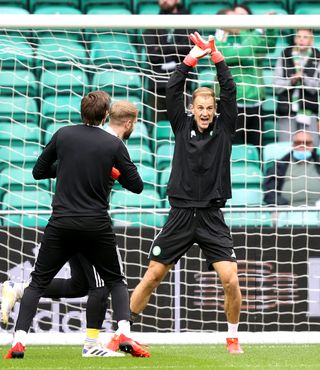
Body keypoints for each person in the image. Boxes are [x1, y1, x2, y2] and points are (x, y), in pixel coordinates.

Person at [3, 91, 149, 360]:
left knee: (38, 284)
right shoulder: (112, 145)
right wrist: (110, 170)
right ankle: (122, 332)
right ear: (105, 115)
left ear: (82, 112)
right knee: (114, 281)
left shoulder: (63, 135)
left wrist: (69, 166)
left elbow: (38, 171)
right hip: (95, 226)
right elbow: (137, 186)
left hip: (61, 223)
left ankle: (18, 342)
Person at [126, 32, 244, 354]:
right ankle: (123, 331)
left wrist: (217, 58)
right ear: (191, 109)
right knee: (152, 276)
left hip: (210, 216)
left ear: (215, 109)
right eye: (199, 106)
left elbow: (230, 90)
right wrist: (190, 59)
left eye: (209, 107)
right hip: (180, 214)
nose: (205, 111)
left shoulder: (225, 127)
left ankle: (232, 338)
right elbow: (171, 89)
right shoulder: (181, 124)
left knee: (231, 280)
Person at [215, 5, 277, 150]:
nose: (239, 21)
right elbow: (242, 51)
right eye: (235, 18)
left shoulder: (248, 36)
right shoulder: (219, 39)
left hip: (255, 103)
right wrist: (258, 30)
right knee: (233, 149)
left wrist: (271, 25)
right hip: (232, 104)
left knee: (257, 148)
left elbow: (270, 45)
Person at [143, 0, 192, 125]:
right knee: (158, 128)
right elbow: (152, 55)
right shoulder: (153, 24)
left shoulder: (189, 21)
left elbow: (189, 50)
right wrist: (176, 52)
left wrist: (161, 48)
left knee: (184, 127)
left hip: (183, 84)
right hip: (157, 84)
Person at [274, 29, 320, 145]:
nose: (301, 40)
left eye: (305, 37)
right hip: (287, 110)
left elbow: (317, 87)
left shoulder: (317, 56)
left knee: (312, 145)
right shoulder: (285, 55)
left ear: (312, 40)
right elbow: (276, 86)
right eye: (299, 36)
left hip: (310, 110)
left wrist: (303, 78)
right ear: (294, 39)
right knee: (285, 146)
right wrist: (291, 81)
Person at [264, 130, 320, 206]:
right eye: (298, 143)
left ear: (312, 146)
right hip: (287, 211)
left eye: (307, 143)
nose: (302, 146)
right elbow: (269, 193)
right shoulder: (280, 165)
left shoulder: (318, 162)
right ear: (293, 146)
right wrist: (283, 205)